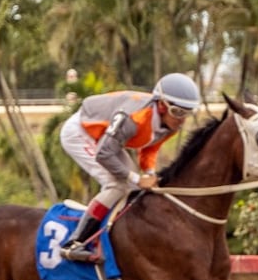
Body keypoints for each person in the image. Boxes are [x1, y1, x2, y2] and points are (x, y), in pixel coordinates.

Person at [58, 73, 201, 262]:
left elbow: (149, 149)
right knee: (117, 185)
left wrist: (150, 174)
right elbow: (104, 154)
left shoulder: (171, 125)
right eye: (177, 112)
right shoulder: (134, 119)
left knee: (132, 188)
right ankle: (75, 243)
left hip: (106, 140)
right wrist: (137, 178)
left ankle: (116, 238)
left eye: (187, 113)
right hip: (81, 133)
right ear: (161, 105)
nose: (181, 120)